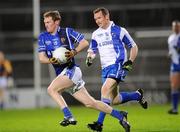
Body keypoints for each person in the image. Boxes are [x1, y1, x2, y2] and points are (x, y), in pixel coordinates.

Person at [38, 10, 131, 132]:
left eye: (48, 22)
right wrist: (52, 60)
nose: (46, 24)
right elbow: (41, 58)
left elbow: (84, 42)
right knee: (90, 103)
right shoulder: (43, 37)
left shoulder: (67, 32)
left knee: (51, 89)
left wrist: (73, 52)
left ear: (57, 21)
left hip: (72, 70)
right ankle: (120, 115)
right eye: (45, 22)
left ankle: (68, 116)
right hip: (62, 75)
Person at [86, 7, 148, 131]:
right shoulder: (95, 34)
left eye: (99, 18)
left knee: (104, 90)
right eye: (95, 19)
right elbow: (93, 50)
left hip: (118, 65)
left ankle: (99, 124)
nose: (97, 21)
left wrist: (130, 61)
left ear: (106, 16)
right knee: (114, 99)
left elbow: (134, 46)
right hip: (105, 68)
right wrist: (90, 57)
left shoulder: (120, 30)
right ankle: (137, 95)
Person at [167, 20, 180, 115]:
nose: (176, 28)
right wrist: (170, 54)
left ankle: (175, 108)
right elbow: (171, 51)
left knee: (175, 86)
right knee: (174, 86)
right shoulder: (170, 38)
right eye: (174, 26)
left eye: (177, 26)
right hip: (175, 64)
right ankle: (175, 109)